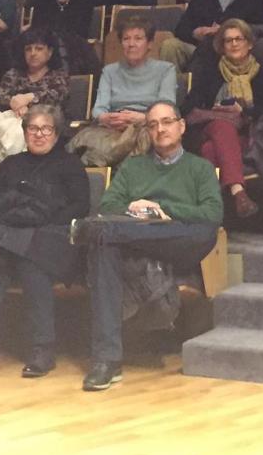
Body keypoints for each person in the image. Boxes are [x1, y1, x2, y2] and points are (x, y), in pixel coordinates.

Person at [72, 100, 223, 391]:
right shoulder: (134, 166)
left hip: (178, 240)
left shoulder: (200, 168)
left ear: (181, 126)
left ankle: (98, 232)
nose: (160, 129)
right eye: (152, 125)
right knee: (105, 246)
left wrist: (164, 211)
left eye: (167, 122)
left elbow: (212, 213)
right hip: (136, 236)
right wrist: (136, 209)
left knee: (203, 231)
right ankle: (106, 360)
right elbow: (109, 205)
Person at [0, 104, 92, 385]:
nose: (39, 134)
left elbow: (79, 207)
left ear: (56, 133)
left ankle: (42, 348)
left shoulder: (70, 164)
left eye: (46, 129)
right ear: (24, 132)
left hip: (50, 238)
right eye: (33, 128)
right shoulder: (11, 165)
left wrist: (35, 217)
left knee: (29, 262)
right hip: (9, 237)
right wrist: (23, 217)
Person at [185, 20, 263, 219]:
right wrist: (214, 109)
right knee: (222, 125)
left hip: (248, 134)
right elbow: (188, 106)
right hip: (211, 128)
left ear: (249, 43)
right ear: (221, 46)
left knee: (210, 151)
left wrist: (245, 110)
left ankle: (214, 215)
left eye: (239, 39)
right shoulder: (209, 71)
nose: (234, 44)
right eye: (228, 40)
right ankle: (239, 193)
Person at [74, 15, 180, 167]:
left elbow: (167, 109)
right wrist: (107, 118)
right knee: (84, 138)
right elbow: (98, 110)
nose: (131, 44)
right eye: (126, 39)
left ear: (149, 43)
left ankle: (103, 162)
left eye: (138, 38)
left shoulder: (166, 70)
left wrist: (142, 118)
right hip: (113, 127)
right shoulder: (109, 71)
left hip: (147, 125)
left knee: (145, 138)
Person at [0, 28, 71, 166]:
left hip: (47, 125)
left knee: (20, 133)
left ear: (50, 52)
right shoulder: (13, 74)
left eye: (39, 48)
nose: (33, 53)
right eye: (28, 49)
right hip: (11, 120)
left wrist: (30, 99)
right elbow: (0, 97)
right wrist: (16, 103)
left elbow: (56, 96)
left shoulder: (59, 75)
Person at [30, 0, 101, 75]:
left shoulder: (84, 0)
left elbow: (81, 31)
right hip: (46, 49)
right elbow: (38, 30)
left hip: (75, 50)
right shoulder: (43, 1)